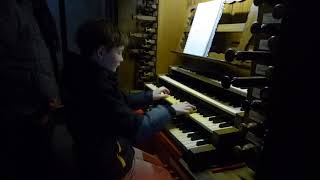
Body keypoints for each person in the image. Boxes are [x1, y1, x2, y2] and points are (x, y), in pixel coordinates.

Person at [63, 19, 196, 180]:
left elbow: (118, 99)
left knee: (156, 162)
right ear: (101, 52)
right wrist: (171, 110)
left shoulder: (86, 74)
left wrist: (149, 96)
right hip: (107, 165)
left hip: (101, 150)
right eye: (119, 52)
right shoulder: (96, 87)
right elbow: (138, 128)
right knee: (165, 175)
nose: (121, 59)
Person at [0, 0, 61, 179]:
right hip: (26, 112)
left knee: (44, 161)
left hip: (40, 108)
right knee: (31, 166)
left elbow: (40, 57)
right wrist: (34, 102)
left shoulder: (34, 7)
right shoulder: (8, 7)